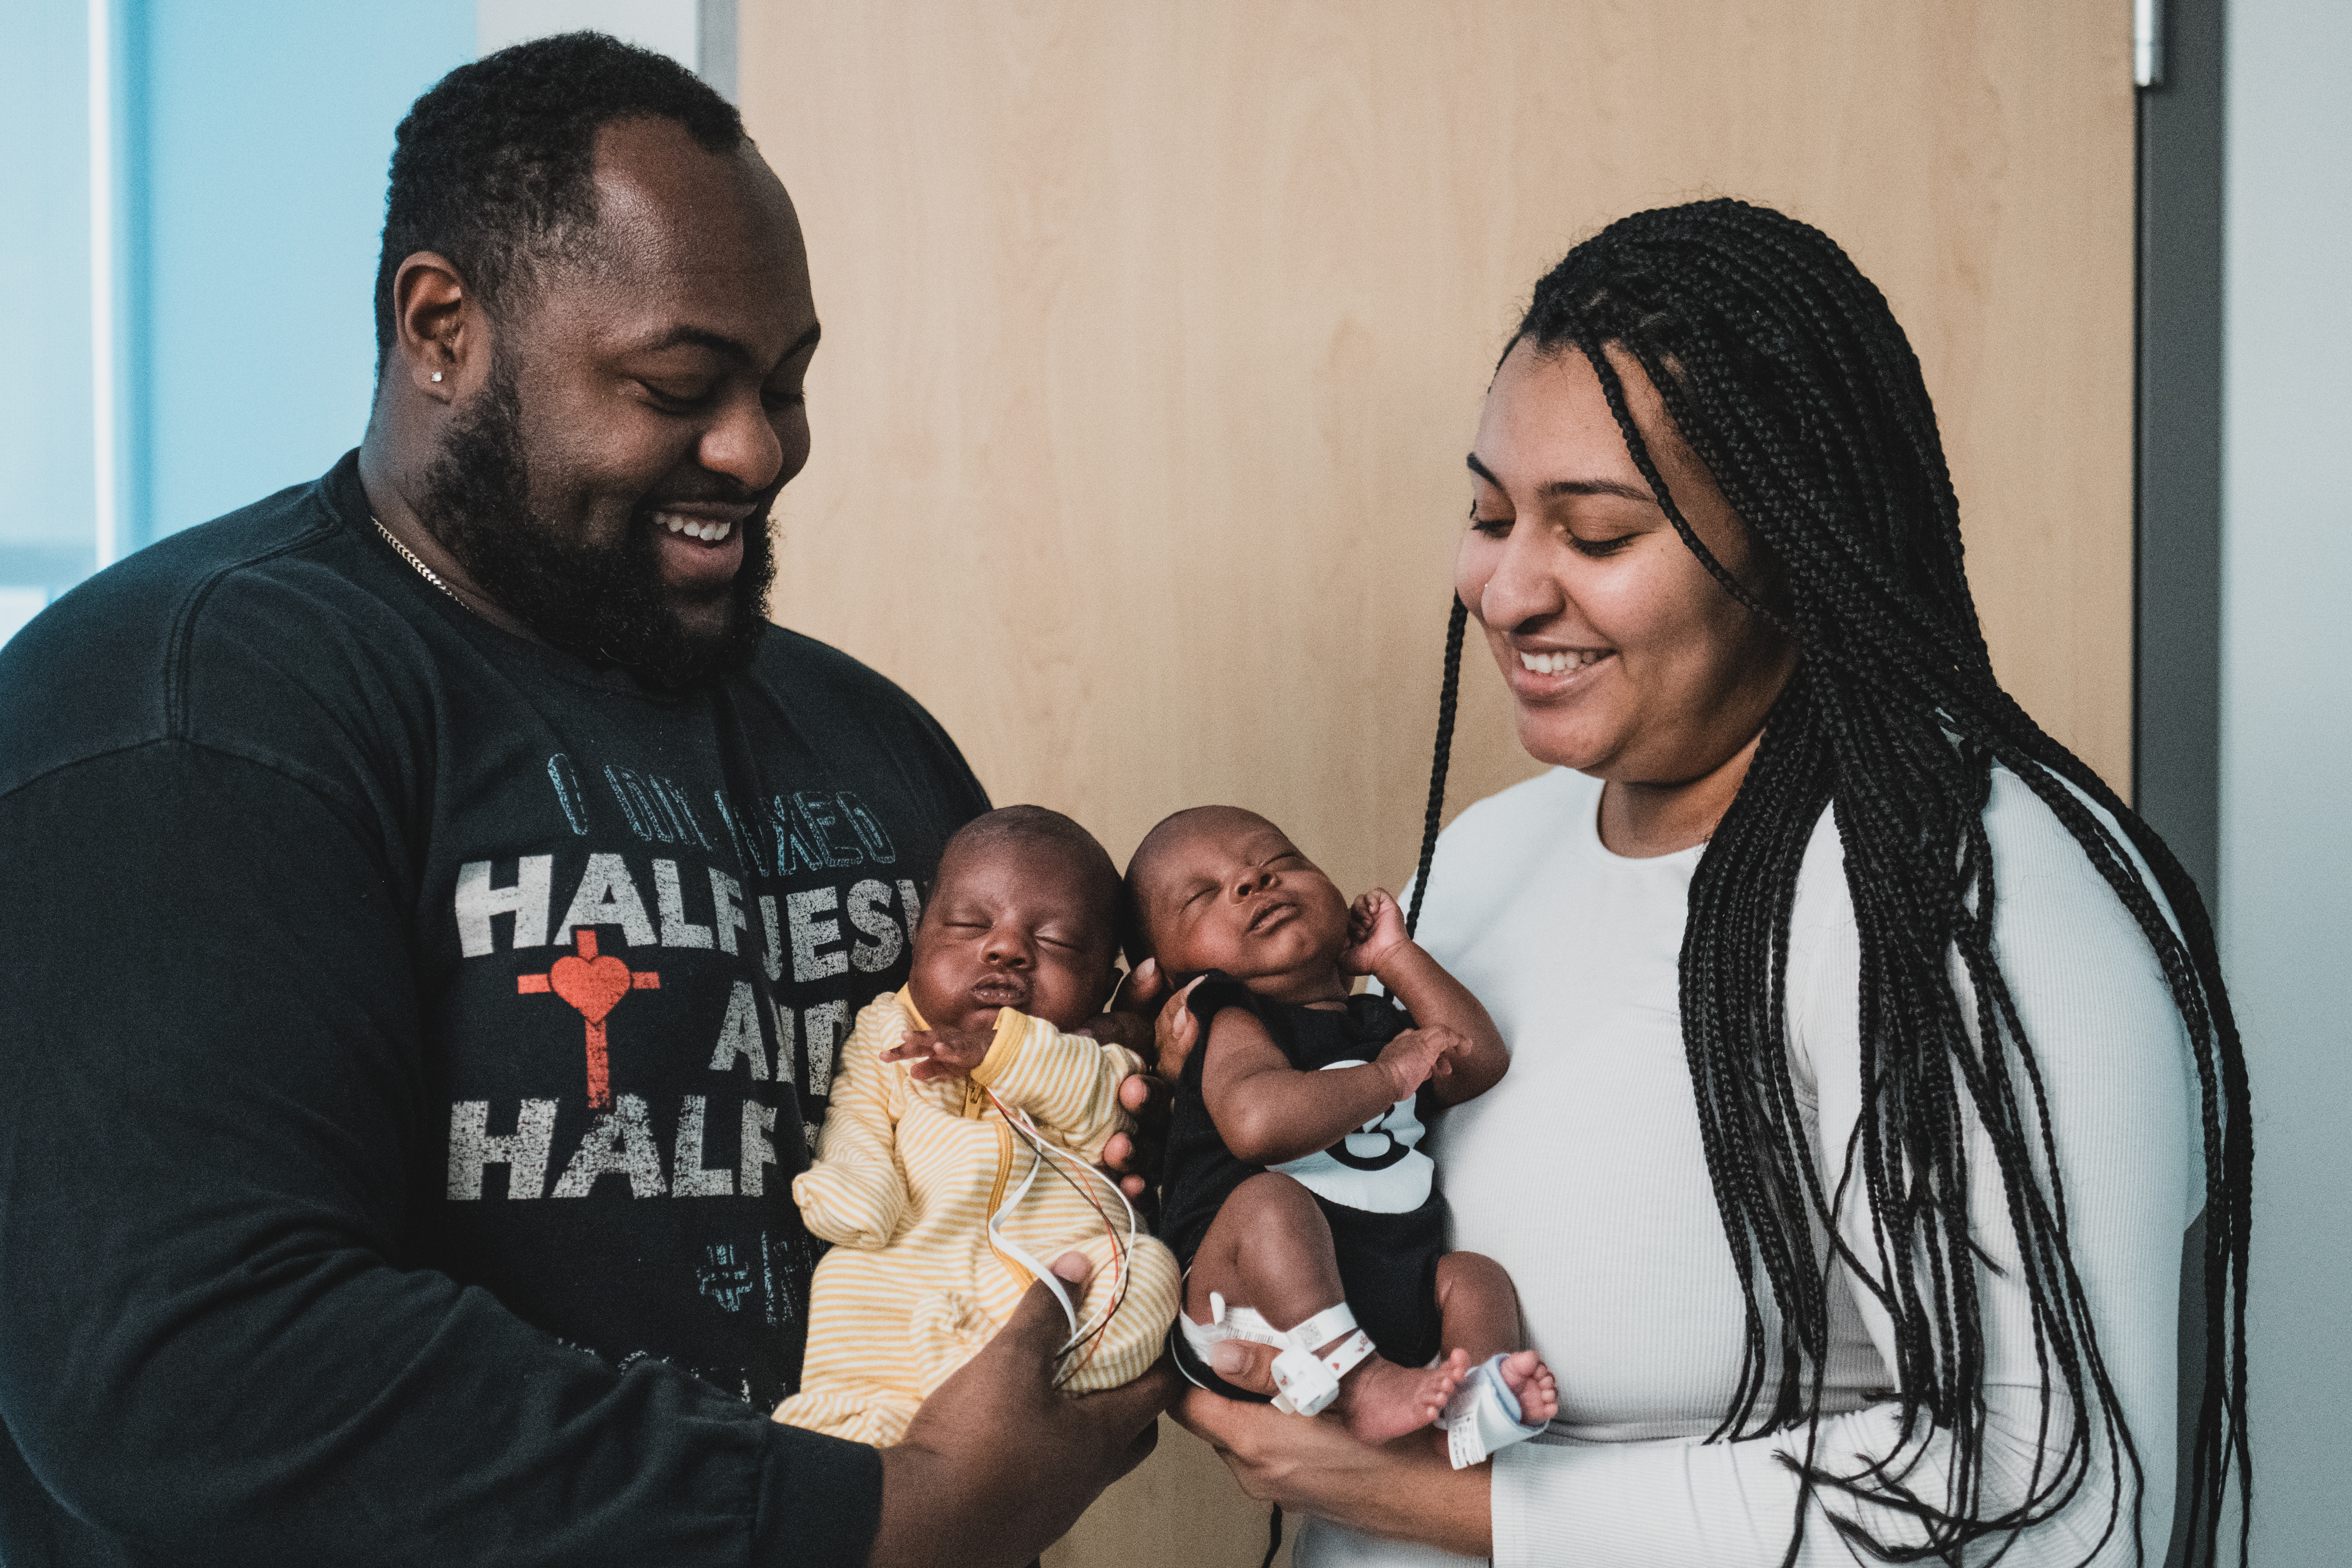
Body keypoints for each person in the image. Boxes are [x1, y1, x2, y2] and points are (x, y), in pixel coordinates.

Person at [0, 34, 1170, 1568]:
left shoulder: (870, 744)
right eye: (680, 384)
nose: (758, 449)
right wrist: (859, 1523)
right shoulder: (186, 707)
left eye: (787, 384)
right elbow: (196, 1364)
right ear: (442, 328)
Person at [1170, 200, 2251, 1567]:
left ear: (1793, 544)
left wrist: (1411, 1498)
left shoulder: (1963, 898)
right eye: (1488, 514)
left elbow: (2054, 1499)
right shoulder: (1491, 857)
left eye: (1597, 535)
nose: (1504, 590)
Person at [1126, 807, 1556, 1463]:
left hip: (1382, 1281)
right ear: (1176, 981)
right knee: (1272, 1204)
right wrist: (1387, 1078)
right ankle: (1359, 1387)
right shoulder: (1233, 1019)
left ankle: (1472, 1403)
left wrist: (1393, 956)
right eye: (1203, 896)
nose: (1250, 881)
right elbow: (1257, 1125)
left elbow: (1476, 1060)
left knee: (1474, 1279)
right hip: (1245, 1293)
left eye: (1278, 861)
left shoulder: (1375, 1020)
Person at [777, 807, 1181, 1445]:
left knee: (1150, 1276)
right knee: (849, 1282)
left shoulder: (1096, 1055)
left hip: (1052, 1273)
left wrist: (1008, 1052)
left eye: (1057, 944)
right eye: (969, 925)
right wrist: (856, 1184)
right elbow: (856, 1112)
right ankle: (848, 1419)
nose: (1006, 948)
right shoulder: (888, 1030)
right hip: (906, 1250)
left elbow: (1106, 1114)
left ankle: (1006, 1396)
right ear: (917, 943)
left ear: (1105, 984)